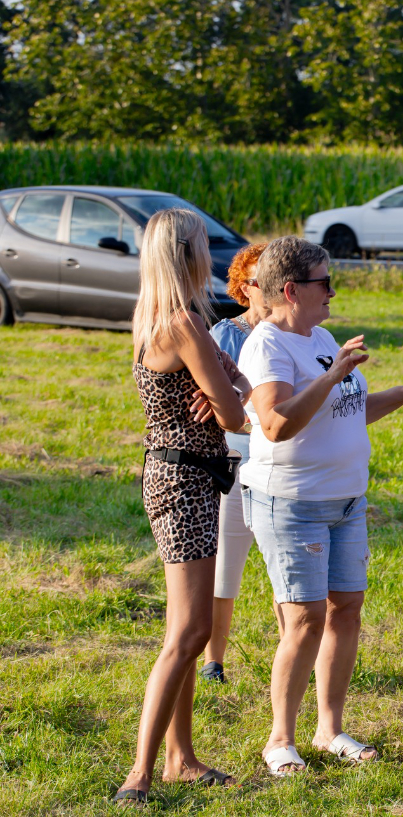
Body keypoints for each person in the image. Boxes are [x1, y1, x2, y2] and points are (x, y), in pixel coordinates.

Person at [239, 237, 403, 776]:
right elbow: (276, 424)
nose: (333, 291)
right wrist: (333, 374)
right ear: (290, 290)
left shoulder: (320, 336)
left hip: (346, 501)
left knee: (345, 611)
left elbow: (348, 412)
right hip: (293, 503)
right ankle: (279, 741)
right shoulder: (268, 346)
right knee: (305, 620)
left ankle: (330, 728)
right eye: (323, 282)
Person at [115, 209, 251, 803]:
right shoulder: (185, 325)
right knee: (189, 630)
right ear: (185, 253)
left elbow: (240, 386)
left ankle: (182, 759)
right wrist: (219, 394)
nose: (212, 251)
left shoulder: (175, 318)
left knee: (188, 631)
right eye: (203, 243)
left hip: (187, 476)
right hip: (183, 483)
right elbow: (237, 413)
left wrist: (221, 389)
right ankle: (140, 774)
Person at [200, 242, 268, 685]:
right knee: (225, 567)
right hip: (234, 464)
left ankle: (294, 652)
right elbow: (209, 402)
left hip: (283, 466)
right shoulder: (226, 336)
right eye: (264, 279)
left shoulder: (298, 335)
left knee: (288, 570)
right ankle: (213, 662)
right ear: (244, 287)